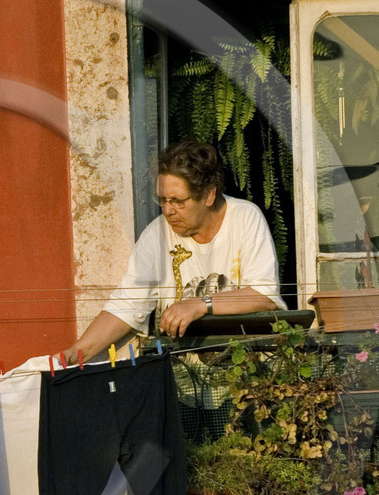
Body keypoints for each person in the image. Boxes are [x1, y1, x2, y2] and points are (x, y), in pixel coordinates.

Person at [62, 140, 283, 364]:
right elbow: (127, 305)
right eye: (162, 200)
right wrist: (77, 353)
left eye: (178, 201)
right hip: (184, 380)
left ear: (208, 195)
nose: (168, 211)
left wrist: (200, 304)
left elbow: (264, 296)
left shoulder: (244, 218)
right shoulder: (156, 235)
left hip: (247, 376)